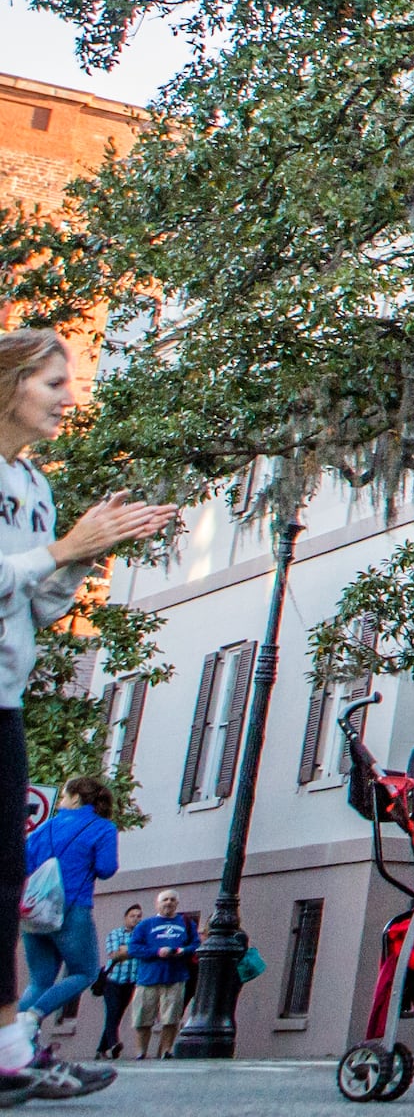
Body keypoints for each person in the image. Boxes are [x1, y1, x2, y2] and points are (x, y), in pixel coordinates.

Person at [0, 332, 169, 1103]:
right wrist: (61, 547)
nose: (71, 397)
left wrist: (79, 556)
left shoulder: (33, 485)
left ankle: (11, 1052)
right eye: (55, 382)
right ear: (10, 384)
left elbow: (38, 604)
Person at [18, 778, 117, 1089]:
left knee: (39, 979)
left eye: (64, 795)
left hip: (34, 910)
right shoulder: (103, 828)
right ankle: (31, 1018)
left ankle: (12, 1039)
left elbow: (26, 862)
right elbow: (106, 867)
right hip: (71, 908)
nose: (61, 800)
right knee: (85, 971)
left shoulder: (44, 828)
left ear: (75, 797)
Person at [121, 893, 190, 1064]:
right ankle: (141, 1052)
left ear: (177, 903)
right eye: (165, 900)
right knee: (143, 1018)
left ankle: (166, 1050)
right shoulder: (146, 925)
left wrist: (182, 951)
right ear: (157, 904)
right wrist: (157, 952)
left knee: (171, 1018)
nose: (169, 903)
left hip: (175, 977)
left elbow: (195, 945)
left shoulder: (186, 923)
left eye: (173, 900)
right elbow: (134, 948)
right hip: (148, 978)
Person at [83, 909, 134, 1065]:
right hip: (112, 980)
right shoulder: (116, 934)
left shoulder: (141, 935)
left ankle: (101, 1049)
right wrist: (135, 950)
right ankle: (113, 1044)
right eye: (132, 916)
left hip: (130, 981)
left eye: (139, 916)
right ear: (125, 918)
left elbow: (141, 952)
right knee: (112, 1011)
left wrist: (127, 950)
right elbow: (114, 954)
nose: (136, 919)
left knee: (117, 1014)